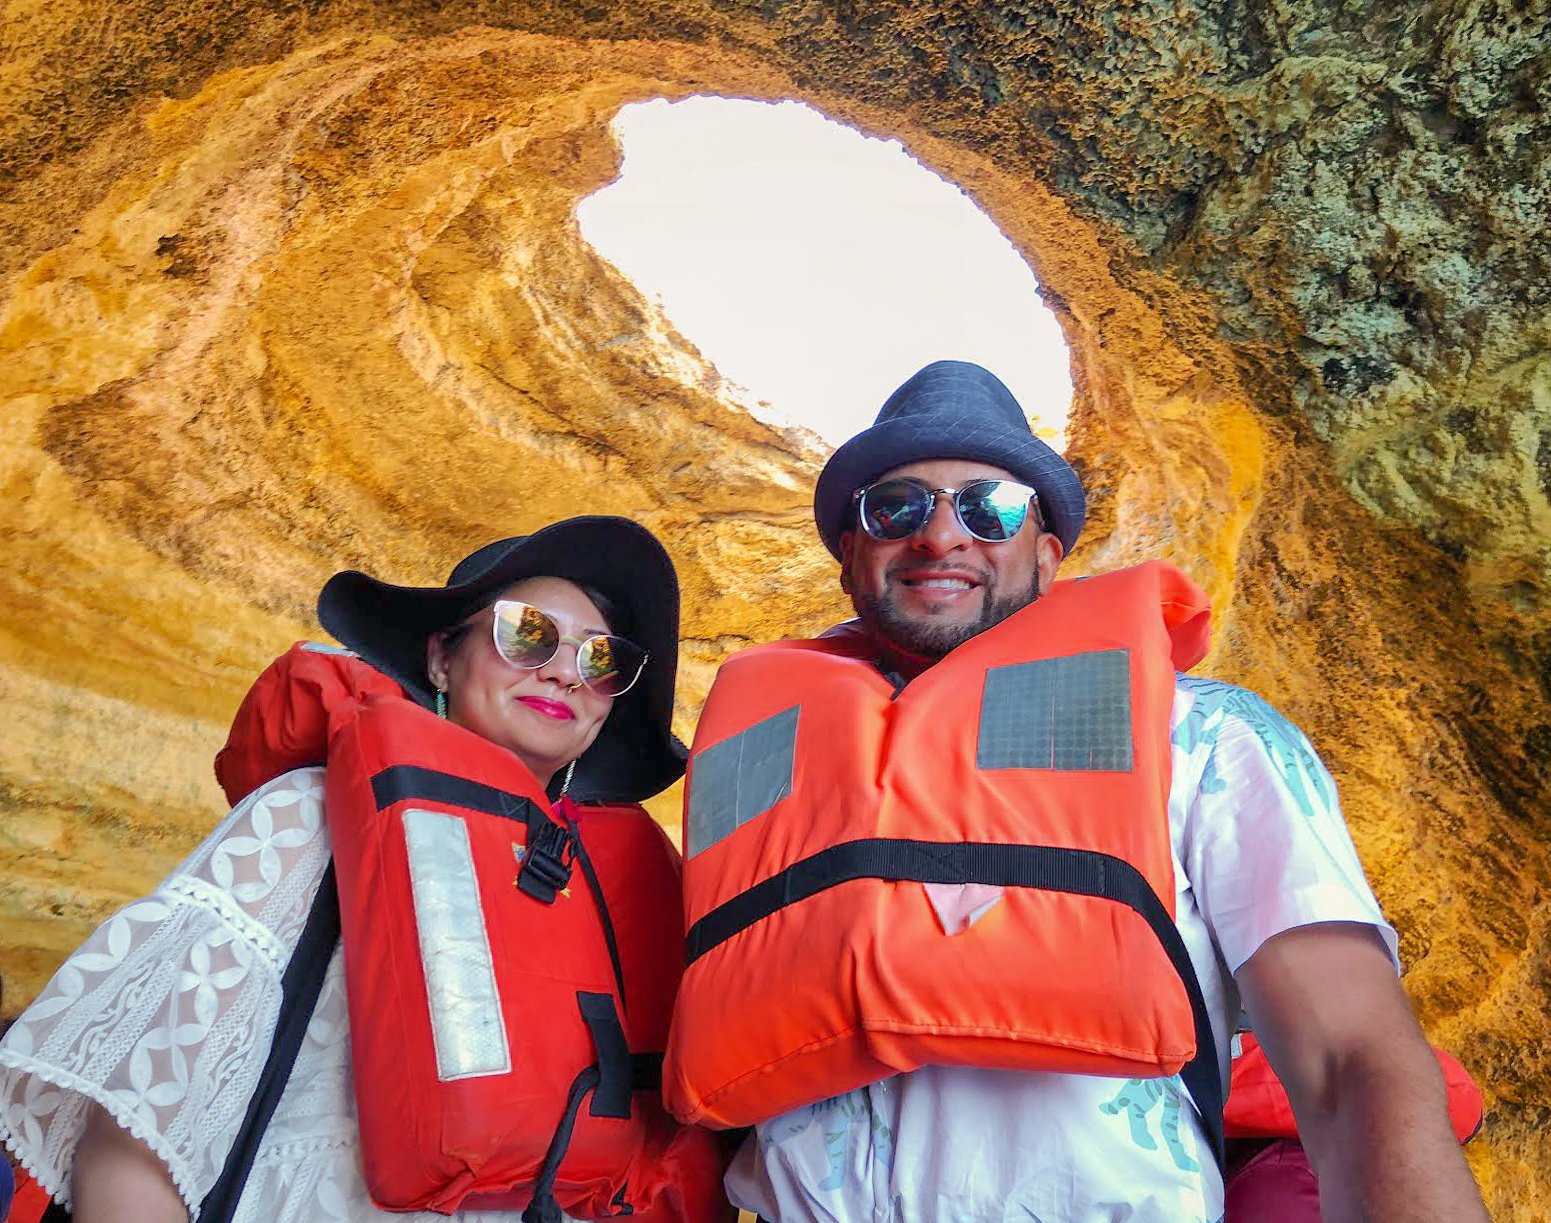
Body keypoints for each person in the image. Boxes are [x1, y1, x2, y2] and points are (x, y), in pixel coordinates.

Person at [663, 362, 1488, 1222]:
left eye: (990, 508)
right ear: (848, 557)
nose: (940, 536)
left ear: (1047, 555)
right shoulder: (756, 769)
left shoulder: (1202, 735)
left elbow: (1347, 1060)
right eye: (895, 507)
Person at [0, 517, 727, 1223]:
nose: (567, 671)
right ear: (443, 656)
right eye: (528, 632)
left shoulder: (597, 895)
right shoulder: (306, 817)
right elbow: (134, 1129)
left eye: (601, 660)